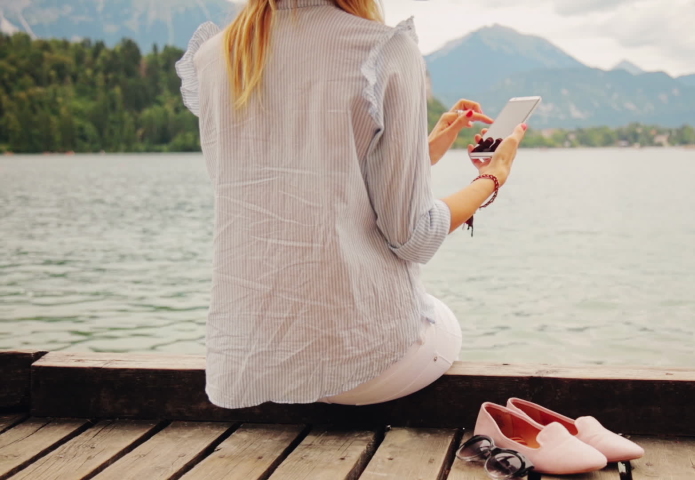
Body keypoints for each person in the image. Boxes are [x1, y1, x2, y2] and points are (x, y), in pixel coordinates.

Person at [175, 0, 527, 408]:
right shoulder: (380, 48)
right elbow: (413, 235)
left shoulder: (218, 55)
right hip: (361, 366)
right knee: (441, 319)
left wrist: (422, 148)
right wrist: (492, 177)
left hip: (257, 361)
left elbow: (307, 179)